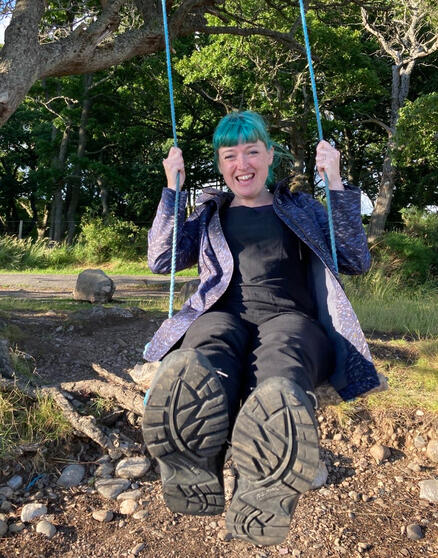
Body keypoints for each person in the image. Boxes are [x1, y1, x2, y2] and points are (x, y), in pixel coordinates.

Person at [141, 111, 381, 546]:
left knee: (281, 363)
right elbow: (162, 260)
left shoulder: (300, 206)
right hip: (224, 316)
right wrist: (172, 191)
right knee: (205, 348)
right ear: (220, 165)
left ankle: (262, 485)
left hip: (292, 320)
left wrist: (338, 182)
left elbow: (355, 259)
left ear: (270, 156)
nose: (242, 163)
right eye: (230, 155)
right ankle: (198, 460)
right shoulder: (210, 212)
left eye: (252, 151)